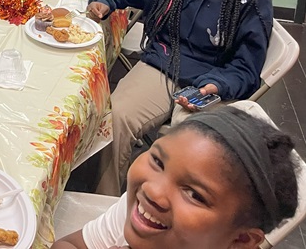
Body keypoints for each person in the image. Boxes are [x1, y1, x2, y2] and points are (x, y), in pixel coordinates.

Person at [86, 0, 273, 195]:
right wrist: (104, 0)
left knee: (191, 147)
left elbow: (246, 69)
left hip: (212, 82)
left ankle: (168, 219)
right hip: (163, 64)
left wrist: (218, 85)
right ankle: (103, 203)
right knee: (116, 117)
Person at [52, 106, 299, 249]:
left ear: (241, 240)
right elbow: (72, 244)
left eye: (194, 194)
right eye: (158, 161)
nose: (153, 191)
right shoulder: (142, 213)